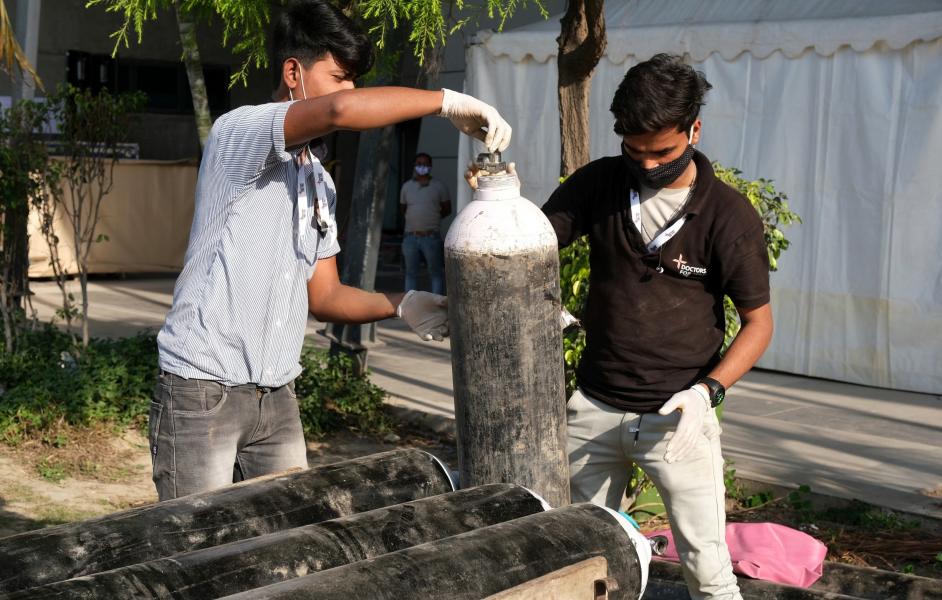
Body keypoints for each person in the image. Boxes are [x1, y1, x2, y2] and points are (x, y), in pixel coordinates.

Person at [152, 0, 511, 501]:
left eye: (354, 80)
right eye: (340, 76)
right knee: (195, 549)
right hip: (201, 392)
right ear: (293, 72)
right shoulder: (238, 133)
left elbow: (325, 295)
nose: (350, 92)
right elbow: (342, 111)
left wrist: (403, 303)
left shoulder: (318, 181)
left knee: (288, 545)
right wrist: (445, 101)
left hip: (276, 397)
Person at [468, 54, 772, 600]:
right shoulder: (601, 185)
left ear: (694, 130)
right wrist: (497, 208)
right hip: (595, 407)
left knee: (708, 568)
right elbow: (533, 244)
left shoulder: (729, 217)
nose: (649, 164)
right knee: (579, 557)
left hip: (676, 419)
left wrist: (708, 393)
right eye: (636, 152)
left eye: (664, 152)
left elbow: (758, 323)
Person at [400, 152, 451, 295]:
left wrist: (432, 218)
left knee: (435, 273)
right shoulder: (406, 187)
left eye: (425, 164)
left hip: (431, 237)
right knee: (410, 273)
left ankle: (437, 305)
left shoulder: (439, 186)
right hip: (410, 237)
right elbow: (403, 209)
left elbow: (447, 208)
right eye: (419, 164)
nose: (422, 167)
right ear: (415, 166)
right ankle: (410, 305)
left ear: (430, 166)